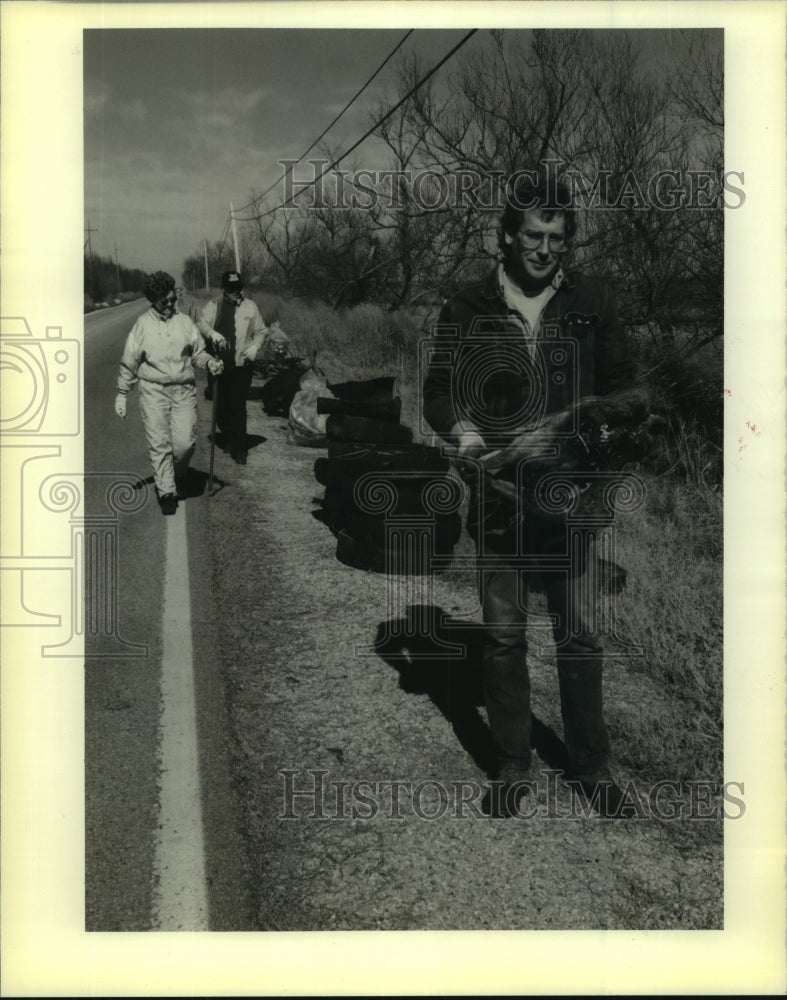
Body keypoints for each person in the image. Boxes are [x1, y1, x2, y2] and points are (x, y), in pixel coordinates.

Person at [423, 170, 637, 818]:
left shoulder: (592, 301)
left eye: (556, 237)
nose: (544, 249)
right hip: (499, 498)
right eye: (532, 235)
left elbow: (631, 388)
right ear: (506, 237)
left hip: (572, 495)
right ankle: (512, 765)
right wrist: (463, 435)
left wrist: (597, 421)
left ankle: (590, 766)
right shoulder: (467, 305)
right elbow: (439, 393)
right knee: (502, 635)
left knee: (579, 635)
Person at [114, 270, 224, 515]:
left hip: (183, 390)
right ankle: (167, 491)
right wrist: (122, 393)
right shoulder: (142, 325)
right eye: (165, 302)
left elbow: (198, 353)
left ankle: (176, 474)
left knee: (185, 444)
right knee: (159, 443)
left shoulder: (185, 322)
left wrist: (209, 363)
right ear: (153, 301)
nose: (171, 305)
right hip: (153, 392)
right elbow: (130, 360)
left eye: (173, 299)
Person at [197, 270, 269, 464]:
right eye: (231, 289)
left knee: (237, 407)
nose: (235, 292)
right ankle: (229, 436)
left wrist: (255, 346)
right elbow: (202, 324)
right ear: (223, 289)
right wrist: (212, 334)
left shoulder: (250, 307)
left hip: (241, 366)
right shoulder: (214, 305)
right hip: (218, 366)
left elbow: (261, 331)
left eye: (238, 288)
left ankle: (239, 448)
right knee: (220, 406)